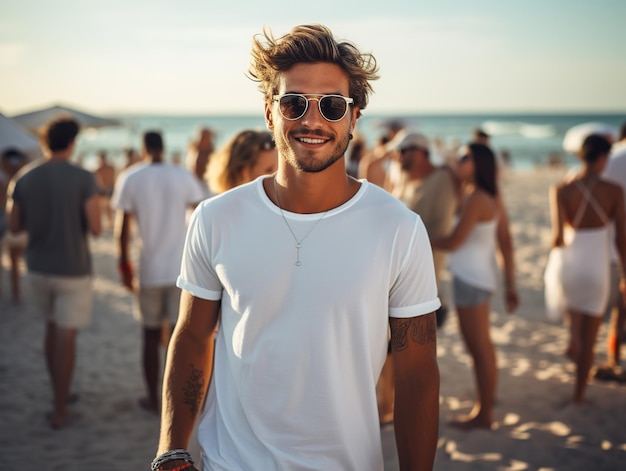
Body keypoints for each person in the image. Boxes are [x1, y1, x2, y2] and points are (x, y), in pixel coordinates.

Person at [154, 24, 440, 471]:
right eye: (293, 103)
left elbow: (417, 373)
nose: (311, 120)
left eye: (330, 105)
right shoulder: (216, 218)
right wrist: (171, 449)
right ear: (270, 113)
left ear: (353, 117)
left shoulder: (399, 229)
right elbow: (192, 337)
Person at [7, 116, 101, 429]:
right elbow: (97, 227)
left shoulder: (24, 177)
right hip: (72, 268)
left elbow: (15, 225)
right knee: (67, 337)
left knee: (51, 330)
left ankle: (58, 394)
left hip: (38, 266)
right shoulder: (83, 177)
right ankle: (61, 407)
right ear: (72, 143)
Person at [111, 131, 206, 414]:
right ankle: (176, 400)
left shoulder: (131, 177)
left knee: (150, 337)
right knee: (182, 337)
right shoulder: (181, 176)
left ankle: (152, 399)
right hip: (182, 269)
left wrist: (124, 264)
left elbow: (122, 228)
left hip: (149, 268)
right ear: (163, 147)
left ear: (144, 147)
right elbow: (200, 215)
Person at [432, 142, 518, 429]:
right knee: (482, 347)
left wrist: (421, 236)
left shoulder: (477, 197)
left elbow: (455, 242)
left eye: (465, 157)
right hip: (477, 278)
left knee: (479, 348)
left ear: (478, 163)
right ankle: (485, 409)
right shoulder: (482, 194)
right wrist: (510, 285)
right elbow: (505, 240)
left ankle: (484, 414)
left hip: (471, 280)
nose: (459, 160)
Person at [546, 134, 626, 403]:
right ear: (603, 158)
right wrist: (625, 274)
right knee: (590, 338)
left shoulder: (561, 190)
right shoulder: (614, 191)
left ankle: (573, 342)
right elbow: (621, 239)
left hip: (570, 266)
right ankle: (579, 394)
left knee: (575, 319)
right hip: (596, 269)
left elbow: (557, 238)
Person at [599, 121, 626, 380]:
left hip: (604, 248)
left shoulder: (609, 160)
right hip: (620, 244)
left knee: (614, 312)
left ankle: (613, 358)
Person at [207, 129, 278, 194]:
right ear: (244, 172)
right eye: (269, 170)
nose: (278, 175)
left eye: (280, 168)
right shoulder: (219, 207)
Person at [0, 148, 29, 302]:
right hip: (16, 223)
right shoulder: (22, 177)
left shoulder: (7, 178)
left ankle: (14, 292)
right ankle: (16, 293)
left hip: (7, 222)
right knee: (15, 261)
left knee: (13, 261)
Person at [186, 127, 215, 199]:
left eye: (207, 138)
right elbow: (194, 169)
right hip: (196, 183)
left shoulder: (211, 152)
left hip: (206, 183)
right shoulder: (194, 151)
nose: (204, 140)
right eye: (203, 137)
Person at [93, 150, 117, 230]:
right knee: (107, 207)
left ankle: (110, 222)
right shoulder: (109, 167)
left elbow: (96, 181)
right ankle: (110, 222)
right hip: (109, 188)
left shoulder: (99, 169)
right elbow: (114, 178)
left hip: (105, 189)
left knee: (106, 207)